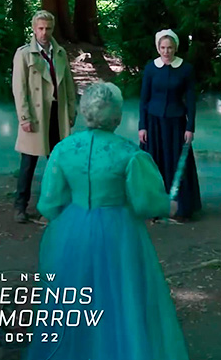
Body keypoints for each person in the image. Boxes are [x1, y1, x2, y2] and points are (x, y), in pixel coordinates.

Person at [24, 82, 189, 360]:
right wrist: (168, 205)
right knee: (120, 296)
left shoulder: (63, 150)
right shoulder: (130, 154)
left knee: (73, 295)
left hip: (73, 230)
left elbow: (49, 204)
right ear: (117, 117)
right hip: (118, 232)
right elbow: (144, 203)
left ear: (84, 112)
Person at [12, 9, 77, 223]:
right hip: (36, 115)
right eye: (40, 28)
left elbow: (68, 84)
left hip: (57, 114)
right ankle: (20, 206)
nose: (44, 32)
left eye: (48, 28)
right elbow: (19, 88)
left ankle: (54, 205)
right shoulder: (24, 54)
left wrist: (71, 111)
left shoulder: (60, 53)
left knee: (57, 163)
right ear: (34, 29)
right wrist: (24, 118)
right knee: (28, 164)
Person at [139, 29, 202, 222]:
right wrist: (142, 126)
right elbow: (144, 99)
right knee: (154, 165)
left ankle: (181, 208)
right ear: (158, 48)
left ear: (175, 48)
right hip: (154, 123)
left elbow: (190, 100)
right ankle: (153, 207)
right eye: (163, 48)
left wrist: (190, 127)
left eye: (170, 48)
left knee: (177, 163)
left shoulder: (185, 69)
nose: (166, 52)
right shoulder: (151, 68)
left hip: (176, 123)